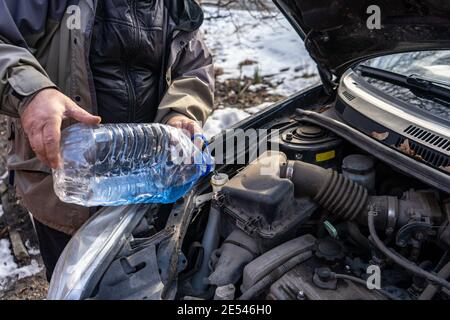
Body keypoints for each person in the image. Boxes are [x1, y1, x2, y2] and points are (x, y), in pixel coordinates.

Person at [0, 0, 214, 280]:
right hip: (66, 181)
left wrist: (179, 113)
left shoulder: (175, 4)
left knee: (144, 281)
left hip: (147, 182)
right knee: (78, 283)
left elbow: (194, 68)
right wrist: (32, 92)